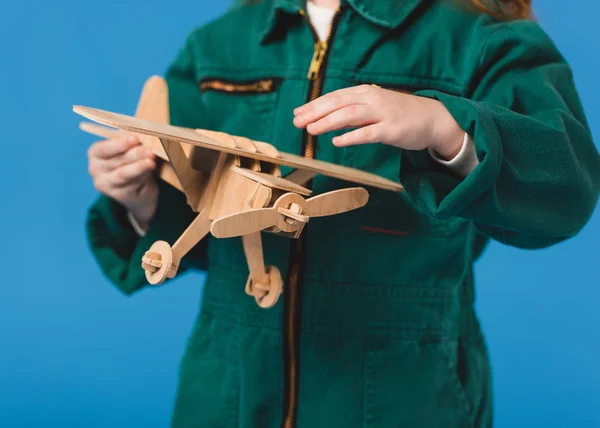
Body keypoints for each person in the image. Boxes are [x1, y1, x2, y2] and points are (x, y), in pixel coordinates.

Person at [85, 0, 600, 426]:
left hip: (403, 387)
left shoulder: (478, 40)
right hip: (228, 383)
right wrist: (140, 196)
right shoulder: (219, 44)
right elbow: (199, 209)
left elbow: (566, 189)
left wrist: (445, 127)